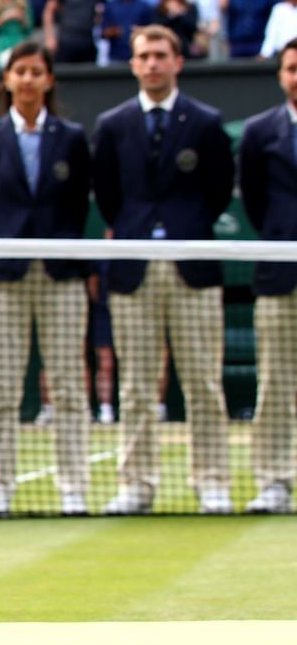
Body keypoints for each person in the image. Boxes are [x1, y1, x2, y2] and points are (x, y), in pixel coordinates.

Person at [94, 26, 236, 514]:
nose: (152, 64)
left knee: (202, 381)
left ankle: (212, 480)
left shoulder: (206, 122)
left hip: (192, 267)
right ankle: (135, 484)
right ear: (133, 65)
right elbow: (110, 197)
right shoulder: (112, 126)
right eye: (143, 57)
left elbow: (218, 190)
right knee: (135, 385)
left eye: (160, 55)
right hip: (133, 268)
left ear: (177, 62)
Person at [0, 42, 92, 517]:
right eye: (18, 71)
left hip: (60, 273)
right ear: (7, 81)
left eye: (35, 71)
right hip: (4, 274)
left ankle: (73, 488)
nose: (26, 79)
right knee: (1, 388)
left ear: (49, 80)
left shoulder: (73, 137)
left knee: (67, 386)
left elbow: (80, 203)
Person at [238, 40, 297, 514]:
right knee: (276, 381)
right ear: (280, 75)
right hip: (279, 274)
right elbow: (256, 202)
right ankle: (275, 479)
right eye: (292, 69)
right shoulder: (259, 133)